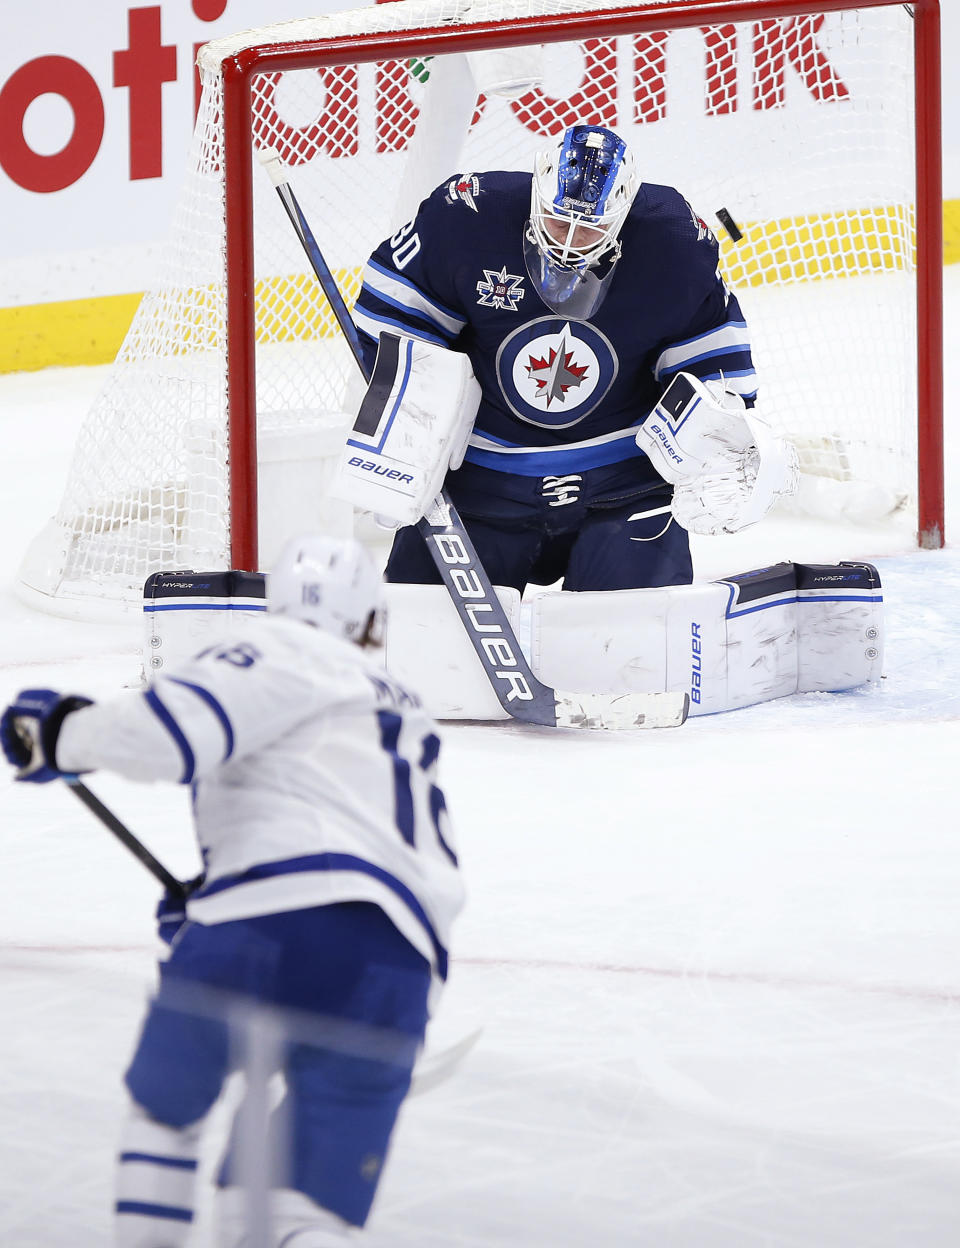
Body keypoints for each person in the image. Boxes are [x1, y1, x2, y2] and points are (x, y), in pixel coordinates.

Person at [0, 536, 464, 1248]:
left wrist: (63, 734)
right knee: (294, 1213)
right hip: (399, 974)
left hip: (264, 929)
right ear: (374, 620)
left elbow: (165, 734)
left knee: (167, 1115)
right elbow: (379, 864)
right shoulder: (405, 713)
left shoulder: (280, 648)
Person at [353, 122, 794, 594]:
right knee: (424, 637)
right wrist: (406, 443)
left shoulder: (674, 243)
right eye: (560, 219)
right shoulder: (468, 214)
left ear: (622, 213)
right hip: (481, 484)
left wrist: (718, 447)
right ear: (538, 191)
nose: (569, 240)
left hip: (622, 487)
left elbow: (715, 371)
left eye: (590, 228)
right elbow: (391, 323)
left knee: (635, 651)